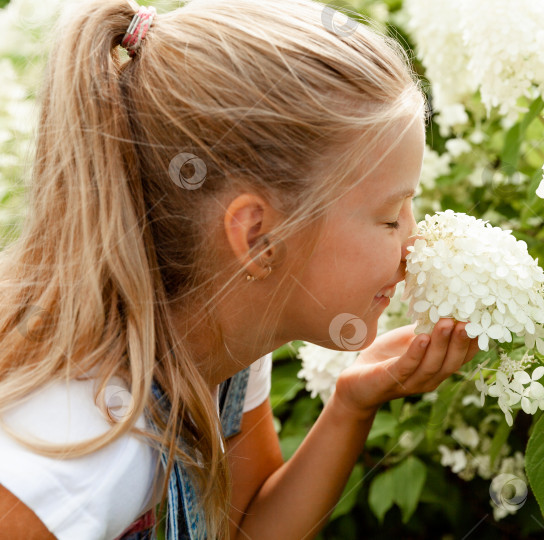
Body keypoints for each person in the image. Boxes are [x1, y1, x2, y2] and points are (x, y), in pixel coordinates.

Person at [0, 0, 479, 538]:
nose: (415, 245)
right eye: (392, 216)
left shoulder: (224, 340)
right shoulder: (66, 471)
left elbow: (244, 526)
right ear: (256, 237)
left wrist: (351, 405)